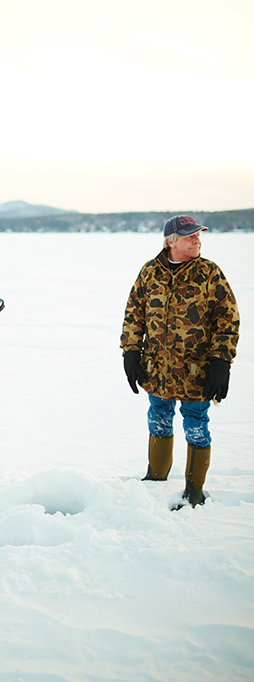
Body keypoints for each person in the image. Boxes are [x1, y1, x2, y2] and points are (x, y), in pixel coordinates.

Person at [120, 215, 240, 509]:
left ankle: (194, 489)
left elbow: (227, 320)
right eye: (190, 236)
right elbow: (134, 314)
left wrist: (221, 362)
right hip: (157, 369)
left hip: (196, 371)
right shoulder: (149, 272)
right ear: (171, 241)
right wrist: (131, 352)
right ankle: (156, 477)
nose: (197, 240)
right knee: (158, 417)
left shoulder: (210, 273)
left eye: (198, 235)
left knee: (196, 425)